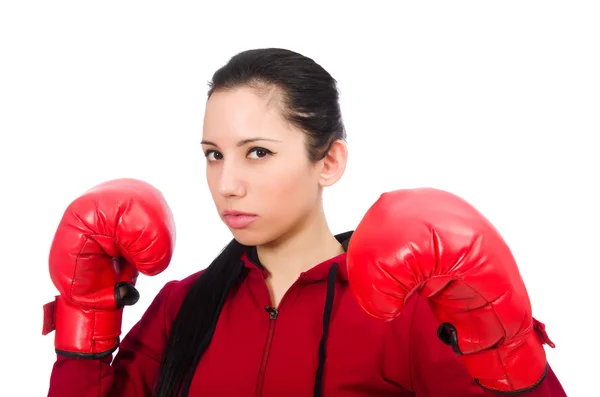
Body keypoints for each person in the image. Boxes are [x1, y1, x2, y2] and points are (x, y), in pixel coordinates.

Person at [43, 48, 568, 397]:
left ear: (329, 162)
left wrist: (507, 347)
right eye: (212, 154)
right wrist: (84, 316)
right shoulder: (183, 306)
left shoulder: (407, 316)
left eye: (257, 153)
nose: (226, 183)